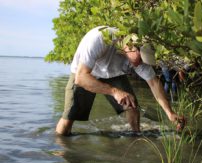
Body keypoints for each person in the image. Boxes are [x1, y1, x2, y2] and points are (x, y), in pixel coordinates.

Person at [56, 26, 186, 136]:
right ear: (130, 46)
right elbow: (81, 78)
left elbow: (153, 83)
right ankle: (61, 147)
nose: (140, 64)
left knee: (132, 106)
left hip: (113, 73)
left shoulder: (141, 57)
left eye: (144, 60)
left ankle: (135, 137)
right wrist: (114, 91)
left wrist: (170, 113)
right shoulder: (100, 38)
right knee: (69, 117)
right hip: (86, 73)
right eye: (139, 58)